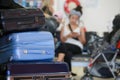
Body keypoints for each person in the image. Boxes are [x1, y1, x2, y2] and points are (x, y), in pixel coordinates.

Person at [55, 5, 86, 76]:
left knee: (63, 46)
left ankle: (58, 64)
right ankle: (68, 73)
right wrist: (68, 36)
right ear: (69, 17)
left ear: (78, 19)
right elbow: (62, 40)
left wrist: (78, 36)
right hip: (66, 46)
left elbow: (83, 42)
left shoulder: (80, 28)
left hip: (77, 46)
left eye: (76, 19)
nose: (74, 20)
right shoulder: (64, 27)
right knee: (67, 53)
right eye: (73, 18)